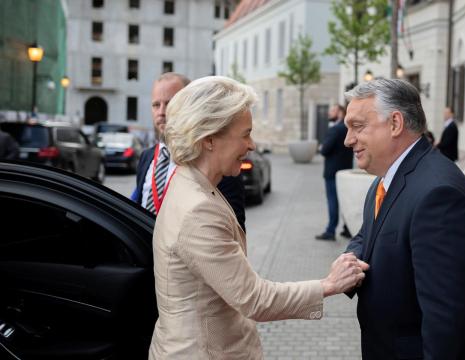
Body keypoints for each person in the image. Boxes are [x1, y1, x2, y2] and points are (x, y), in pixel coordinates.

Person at [148, 76, 369, 359]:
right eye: (245, 134)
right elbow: (255, 299)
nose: (252, 145)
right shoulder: (197, 211)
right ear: (209, 138)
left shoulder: (190, 183)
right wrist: (329, 285)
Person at [343, 78, 465, 359]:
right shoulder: (386, 179)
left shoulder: (438, 195)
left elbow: (448, 319)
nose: (348, 140)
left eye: (358, 127)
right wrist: (351, 259)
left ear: (395, 124)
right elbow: (371, 233)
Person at [132, 72, 247, 230]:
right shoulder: (147, 157)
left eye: (170, 103)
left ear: (191, 106)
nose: (162, 112)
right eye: (156, 105)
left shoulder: (215, 162)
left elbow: (233, 230)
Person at [316, 104, 353, 241]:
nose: (329, 113)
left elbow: (325, 150)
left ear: (340, 113)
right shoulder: (348, 128)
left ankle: (330, 231)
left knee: (333, 201)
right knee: (344, 201)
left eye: (332, 111)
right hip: (346, 170)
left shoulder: (335, 130)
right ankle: (348, 229)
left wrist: (322, 147)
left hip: (332, 172)